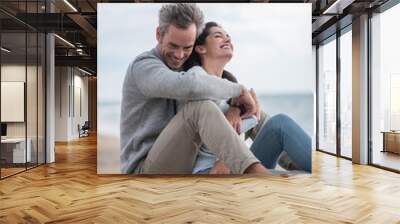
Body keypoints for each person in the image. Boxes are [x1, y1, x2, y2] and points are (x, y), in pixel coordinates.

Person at [120, 3, 271, 175]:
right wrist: (240, 90)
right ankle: (254, 171)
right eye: (173, 46)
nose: (179, 55)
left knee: (269, 121)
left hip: (182, 158)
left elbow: (210, 82)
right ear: (158, 34)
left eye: (187, 48)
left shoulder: (185, 68)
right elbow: (191, 86)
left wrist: (236, 108)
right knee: (200, 108)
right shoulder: (143, 66)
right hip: (144, 169)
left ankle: (291, 161)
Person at [182, 22, 312, 174]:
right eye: (218, 36)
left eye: (228, 37)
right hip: (211, 171)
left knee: (279, 123)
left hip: (236, 163)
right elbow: (206, 131)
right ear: (200, 48)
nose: (227, 40)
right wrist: (246, 116)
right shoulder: (196, 77)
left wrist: (236, 110)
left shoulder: (228, 87)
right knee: (303, 176)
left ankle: (301, 165)